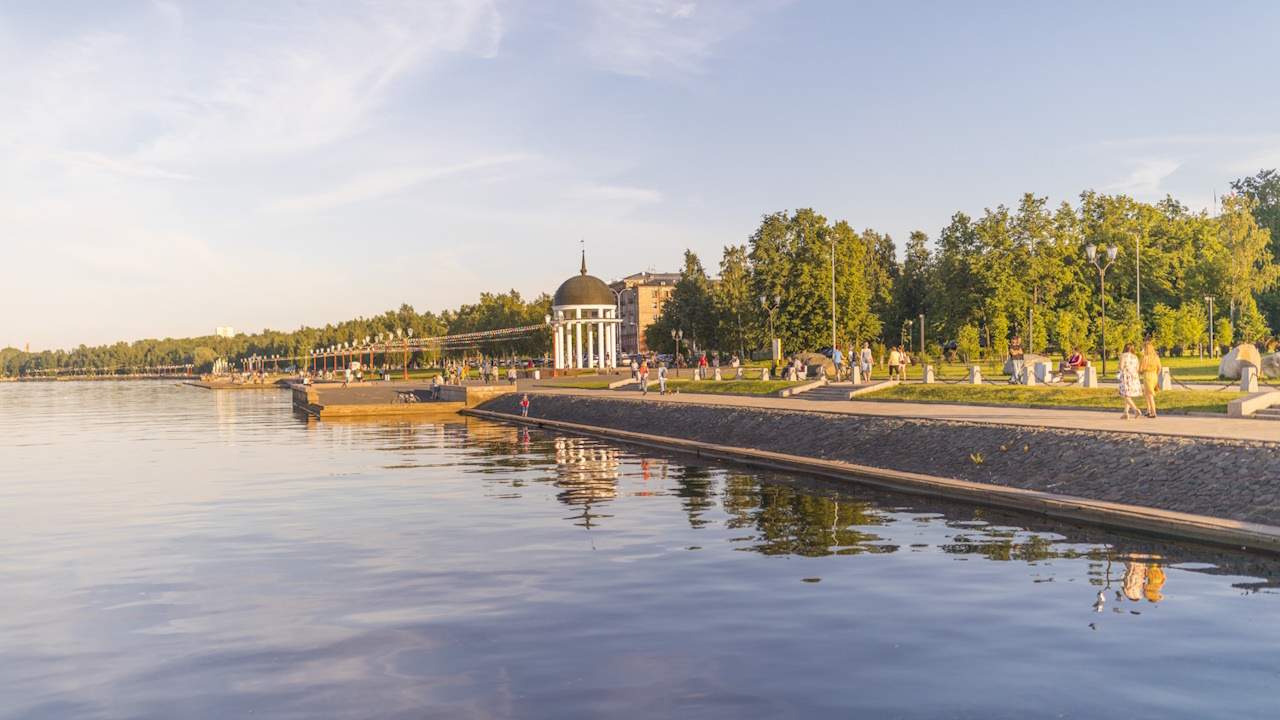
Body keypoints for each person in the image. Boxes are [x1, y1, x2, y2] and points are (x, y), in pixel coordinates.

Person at [1118, 342, 1143, 420]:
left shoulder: (1123, 356)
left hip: (1126, 375)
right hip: (1134, 375)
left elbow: (1121, 366)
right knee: (1128, 395)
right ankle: (1126, 413)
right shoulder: (1135, 357)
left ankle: (1135, 410)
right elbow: (1137, 368)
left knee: (1126, 395)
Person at [1139, 339, 1162, 418]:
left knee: (1150, 394)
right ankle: (1148, 410)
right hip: (1154, 375)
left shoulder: (1144, 357)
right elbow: (1159, 367)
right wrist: (1156, 374)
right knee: (1146, 393)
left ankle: (1153, 412)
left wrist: (1138, 373)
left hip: (1147, 375)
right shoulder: (1156, 357)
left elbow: (1140, 369)